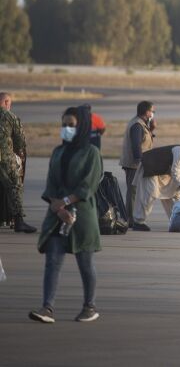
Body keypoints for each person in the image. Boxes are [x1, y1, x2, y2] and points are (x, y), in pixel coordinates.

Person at [29, 105, 102, 324]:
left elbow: (88, 186)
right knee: (52, 261)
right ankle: (47, 307)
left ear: (81, 127)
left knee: (85, 263)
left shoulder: (92, 153)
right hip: (57, 215)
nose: (66, 129)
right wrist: (58, 207)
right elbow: (51, 184)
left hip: (82, 215)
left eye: (71, 125)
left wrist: (67, 202)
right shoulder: (57, 152)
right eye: (64, 125)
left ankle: (89, 306)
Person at [130, 145, 180, 231]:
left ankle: (176, 220)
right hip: (152, 167)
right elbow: (175, 172)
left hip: (163, 173)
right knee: (149, 194)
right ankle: (138, 222)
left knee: (174, 194)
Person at [0, 91, 34, 233]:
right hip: (5, 158)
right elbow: (20, 142)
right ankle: (18, 220)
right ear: (6, 102)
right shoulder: (10, 117)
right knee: (15, 186)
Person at [120, 101, 154, 227]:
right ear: (146, 112)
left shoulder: (140, 123)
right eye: (152, 111)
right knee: (133, 191)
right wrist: (141, 162)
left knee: (135, 191)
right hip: (135, 164)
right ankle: (131, 219)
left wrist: (152, 129)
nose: (153, 114)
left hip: (136, 163)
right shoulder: (137, 125)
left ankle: (132, 217)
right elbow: (136, 146)